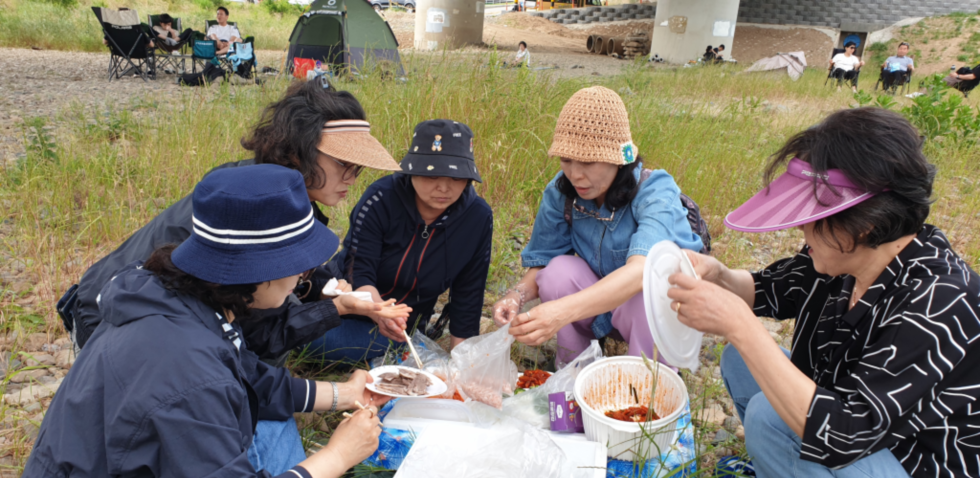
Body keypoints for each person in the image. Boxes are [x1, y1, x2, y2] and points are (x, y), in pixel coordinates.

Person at [3, 165, 392, 478]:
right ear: (259, 271)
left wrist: (346, 395)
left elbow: (251, 379)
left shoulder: (188, 297)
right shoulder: (186, 367)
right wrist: (338, 455)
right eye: (298, 264)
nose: (303, 275)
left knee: (273, 428)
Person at [667, 107, 980, 478]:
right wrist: (719, 276)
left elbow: (843, 432)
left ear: (864, 222)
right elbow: (769, 290)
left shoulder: (943, 299)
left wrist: (739, 326)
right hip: (872, 460)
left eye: (813, 215)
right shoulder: (844, 258)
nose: (800, 225)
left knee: (772, 418)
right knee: (743, 363)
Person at [60, 80, 406, 363]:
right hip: (106, 317)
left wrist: (337, 290)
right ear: (299, 151)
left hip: (145, 311)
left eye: (358, 168)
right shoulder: (252, 205)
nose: (353, 178)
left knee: (368, 344)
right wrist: (335, 309)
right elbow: (258, 330)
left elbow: (295, 268)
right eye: (344, 164)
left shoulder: (281, 191)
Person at [492, 86, 703, 365]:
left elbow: (641, 270)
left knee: (647, 295)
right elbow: (542, 263)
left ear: (620, 158)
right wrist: (515, 296)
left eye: (589, 162)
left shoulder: (655, 191)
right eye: (566, 160)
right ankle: (575, 375)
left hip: (655, 312)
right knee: (556, 274)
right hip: (601, 306)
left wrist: (559, 312)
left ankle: (646, 392)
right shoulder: (561, 192)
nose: (575, 175)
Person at [311, 120, 493, 364]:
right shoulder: (381, 198)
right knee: (316, 339)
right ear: (412, 170)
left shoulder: (477, 217)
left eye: (457, 176)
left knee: (391, 344)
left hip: (403, 324)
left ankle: (402, 347)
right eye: (432, 174)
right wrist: (381, 313)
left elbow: (469, 294)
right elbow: (359, 270)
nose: (444, 187)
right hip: (351, 303)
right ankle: (403, 348)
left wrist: (461, 367)